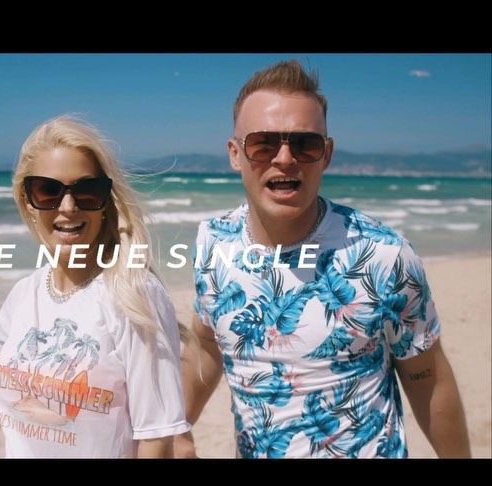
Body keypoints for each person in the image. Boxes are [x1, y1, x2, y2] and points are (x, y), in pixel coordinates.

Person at [174, 59, 472, 460]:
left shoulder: (383, 255)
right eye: (263, 144)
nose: (285, 158)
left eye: (305, 144)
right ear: (235, 154)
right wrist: (176, 427)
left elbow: (427, 379)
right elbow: (209, 343)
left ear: (326, 154)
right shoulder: (213, 242)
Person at [0, 116, 189, 459]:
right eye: (48, 191)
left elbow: (156, 440)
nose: (68, 207)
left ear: (105, 202)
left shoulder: (134, 295)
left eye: (87, 191)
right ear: (28, 202)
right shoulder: (25, 293)